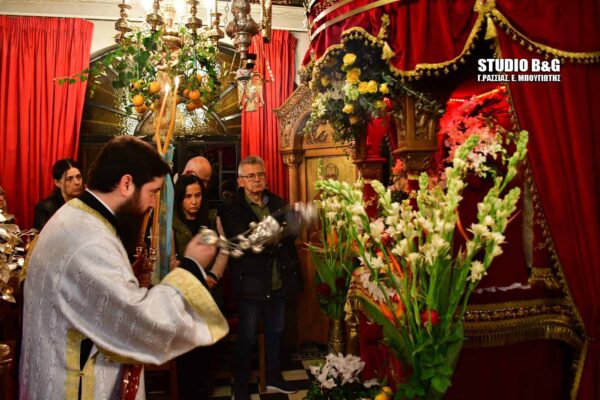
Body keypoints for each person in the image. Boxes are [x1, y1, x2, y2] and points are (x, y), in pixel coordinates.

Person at [19, 136, 228, 399]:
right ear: (127, 183)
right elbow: (141, 324)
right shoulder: (90, 240)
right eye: (152, 192)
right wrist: (192, 265)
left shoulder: (78, 216)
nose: (152, 204)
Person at [220, 155, 301, 400]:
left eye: (260, 174)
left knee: (276, 331)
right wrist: (272, 236)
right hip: (250, 284)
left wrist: (267, 236)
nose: (256, 180)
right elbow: (242, 241)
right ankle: (241, 383)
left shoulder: (277, 202)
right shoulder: (231, 207)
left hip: (278, 279)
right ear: (240, 181)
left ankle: (274, 376)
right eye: (250, 176)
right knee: (247, 336)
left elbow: (292, 233)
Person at [171, 174, 229, 399]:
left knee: (207, 342)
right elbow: (171, 257)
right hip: (183, 292)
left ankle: (205, 388)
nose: (193, 201)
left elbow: (224, 250)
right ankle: (187, 390)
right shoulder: (172, 222)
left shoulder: (212, 218)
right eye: (188, 197)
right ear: (180, 199)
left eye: (197, 196)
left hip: (210, 288)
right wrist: (191, 279)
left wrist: (213, 275)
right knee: (187, 343)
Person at [33, 158, 84, 230]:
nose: (77, 182)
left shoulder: (87, 203)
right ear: (57, 183)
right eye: (69, 179)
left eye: (79, 177)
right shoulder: (44, 208)